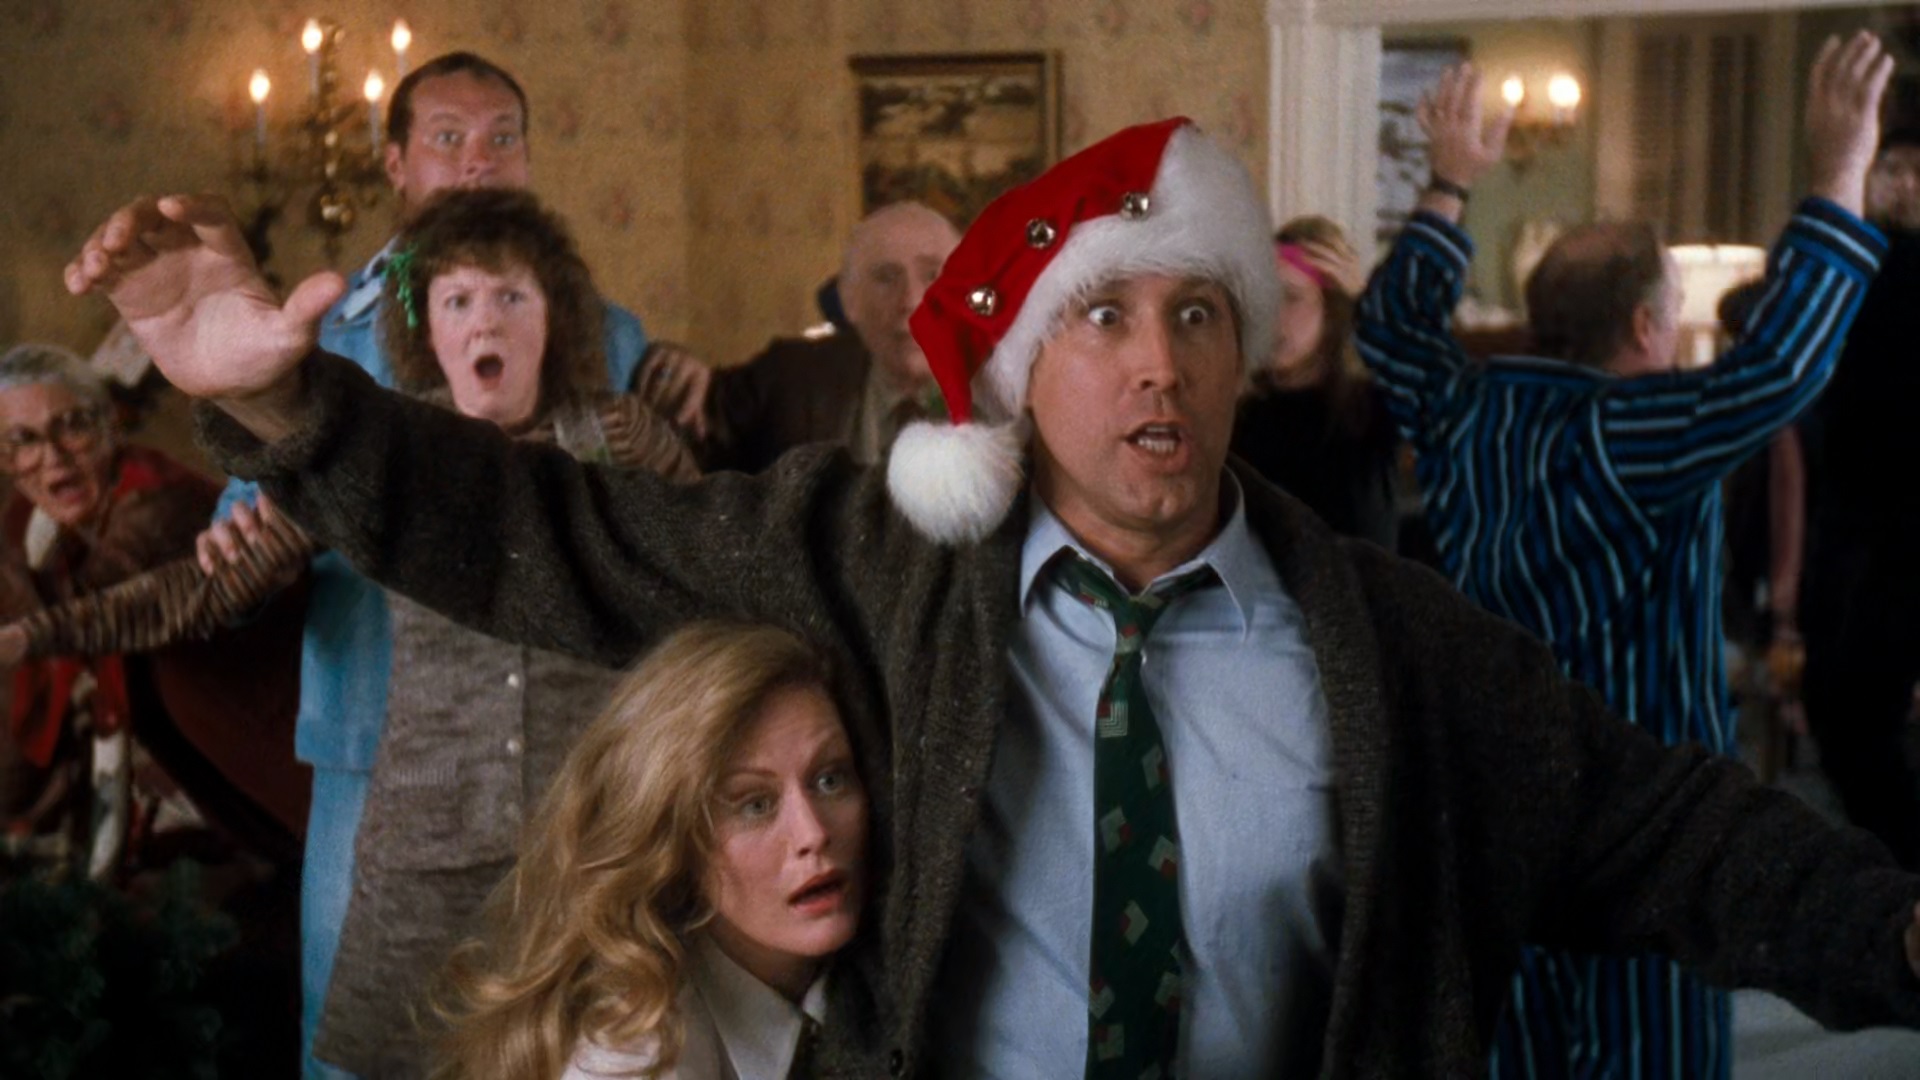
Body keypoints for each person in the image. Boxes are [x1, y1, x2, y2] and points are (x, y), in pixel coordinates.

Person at [68, 107, 1920, 1080]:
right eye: (1100, 317)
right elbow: (553, 537)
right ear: (1024, 377)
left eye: (1196, 313)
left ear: (1246, 354)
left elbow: (1661, 828)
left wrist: (1894, 934)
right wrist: (289, 406)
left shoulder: (1386, 637)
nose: (1156, 363)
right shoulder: (874, 559)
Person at [24, 188, 695, 1076]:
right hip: (429, 841)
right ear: (427, 334)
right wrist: (31, 636)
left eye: (512, 295)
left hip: (599, 841)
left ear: (556, 317)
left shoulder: (615, 435)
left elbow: (708, 561)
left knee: (614, 1058)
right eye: (458, 300)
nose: (485, 320)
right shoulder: (391, 454)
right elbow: (205, 592)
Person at [1353, 38, 1897, 1080]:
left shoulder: (1465, 410)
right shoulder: (1625, 431)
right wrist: (1839, 167)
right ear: (1648, 324)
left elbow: (1389, 325)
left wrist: (1450, 182)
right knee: (1650, 1059)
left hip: (1500, 811)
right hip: (1650, 828)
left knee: (1517, 1055)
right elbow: (1781, 366)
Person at [204, 50, 702, 1078]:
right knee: (365, 1034)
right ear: (394, 165)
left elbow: (654, 515)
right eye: (447, 140)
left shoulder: (605, 333)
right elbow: (239, 547)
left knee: (583, 1037)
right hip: (375, 742)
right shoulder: (317, 338)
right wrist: (235, 549)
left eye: (501, 139)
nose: (478, 161)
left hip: (574, 759)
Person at [431, 621, 866, 1080]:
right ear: (673, 840)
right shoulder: (635, 1058)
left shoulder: (840, 983)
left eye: (829, 779)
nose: (813, 833)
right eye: (755, 805)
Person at [0, 343, 303, 872]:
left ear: (111, 423)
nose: (52, 456)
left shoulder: (158, 503)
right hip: (247, 778)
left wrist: (19, 620)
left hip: (298, 740)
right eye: (23, 441)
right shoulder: (42, 526)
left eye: (72, 426)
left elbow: (97, 605)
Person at [1797, 126, 1920, 871]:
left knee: (1860, 715)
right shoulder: (1861, 259)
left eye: (1915, 171)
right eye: (1892, 169)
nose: (1902, 183)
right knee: (1842, 709)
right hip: (1854, 512)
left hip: (1896, 519)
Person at [698, 202, 960, 472]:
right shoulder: (790, 378)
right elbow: (693, 439)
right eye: (886, 277)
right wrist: (676, 367)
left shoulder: (991, 394)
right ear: (850, 300)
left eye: (932, 275)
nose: (911, 301)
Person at [1230, 216, 1401, 548]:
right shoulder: (1239, 410)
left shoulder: (1372, 403)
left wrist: (1367, 304)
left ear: (1333, 309)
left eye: (1291, 297)